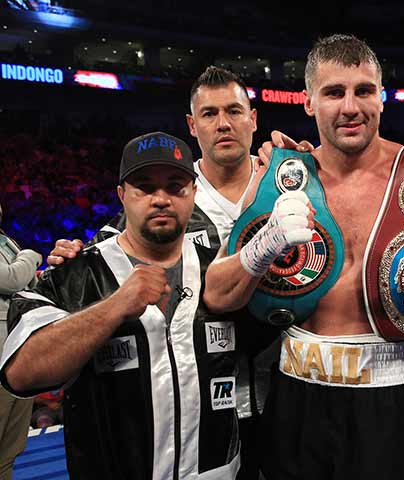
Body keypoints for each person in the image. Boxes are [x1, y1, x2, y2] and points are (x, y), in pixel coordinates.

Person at [203, 34, 404, 480]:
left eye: (364, 90)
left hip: (393, 396)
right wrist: (262, 246)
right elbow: (218, 295)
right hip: (297, 395)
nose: (351, 107)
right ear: (309, 103)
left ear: (382, 98)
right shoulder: (280, 178)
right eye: (334, 92)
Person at [46, 66, 299, 479]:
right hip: (200, 412)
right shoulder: (170, 197)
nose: (223, 124)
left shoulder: (288, 186)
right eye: (209, 114)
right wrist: (71, 257)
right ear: (191, 125)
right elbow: (110, 254)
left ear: (254, 118)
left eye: (235, 111)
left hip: (288, 392)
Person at [0, 132, 241, 479]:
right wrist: (115, 306)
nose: (161, 199)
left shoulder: (222, 272)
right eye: (145, 187)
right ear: (122, 195)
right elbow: (21, 374)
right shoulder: (74, 273)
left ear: (194, 193)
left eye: (175, 186)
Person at [0, 203, 42, 480]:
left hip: (19, 349)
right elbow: (11, 279)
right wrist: (30, 256)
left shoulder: (6, 241)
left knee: (11, 447)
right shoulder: (19, 248)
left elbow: (27, 285)